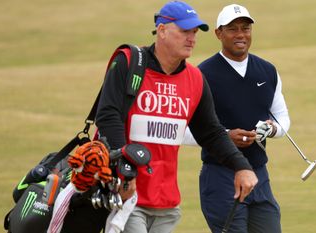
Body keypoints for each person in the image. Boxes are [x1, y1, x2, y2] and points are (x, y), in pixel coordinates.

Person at [95, 1, 258, 233]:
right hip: (127, 195)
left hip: (167, 204)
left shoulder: (195, 78)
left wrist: (242, 166)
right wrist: (125, 171)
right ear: (162, 30)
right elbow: (107, 116)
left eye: (194, 32)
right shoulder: (128, 62)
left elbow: (210, 132)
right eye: (184, 31)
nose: (191, 38)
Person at [183, 4, 291, 233]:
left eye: (245, 28)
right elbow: (182, 129)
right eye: (232, 29)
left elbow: (282, 118)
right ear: (218, 34)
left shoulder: (267, 71)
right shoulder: (201, 75)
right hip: (221, 176)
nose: (241, 34)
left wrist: (272, 130)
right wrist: (224, 137)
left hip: (259, 174)